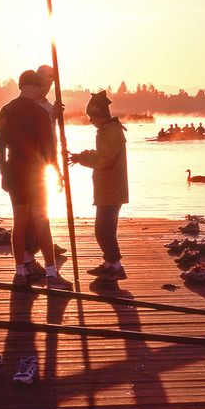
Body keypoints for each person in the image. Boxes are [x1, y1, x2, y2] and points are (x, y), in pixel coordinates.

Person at [0, 69, 70, 289]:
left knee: (19, 223)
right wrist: (56, 172)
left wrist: (3, 171)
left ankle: (20, 271)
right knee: (42, 221)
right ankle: (50, 273)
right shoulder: (39, 113)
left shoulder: (6, 110)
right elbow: (48, 147)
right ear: (36, 87)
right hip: (35, 174)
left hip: (14, 172)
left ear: (20, 86)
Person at [69, 91, 129, 281]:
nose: (90, 121)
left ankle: (116, 266)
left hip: (112, 188)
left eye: (92, 117)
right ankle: (109, 264)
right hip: (106, 187)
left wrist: (82, 158)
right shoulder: (106, 131)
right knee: (105, 229)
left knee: (103, 229)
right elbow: (102, 153)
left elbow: (104, 160)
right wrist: (81, 156)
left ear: (100, 115)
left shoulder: (111, 132)